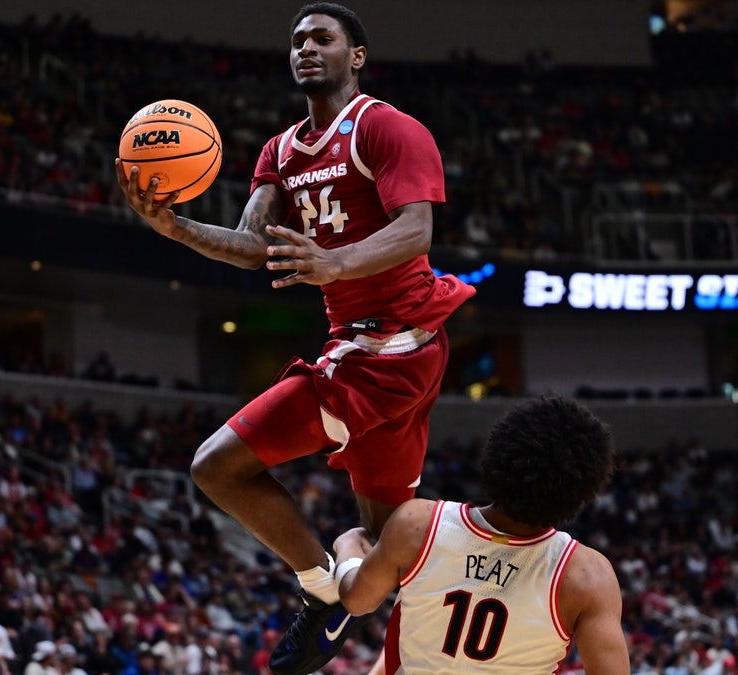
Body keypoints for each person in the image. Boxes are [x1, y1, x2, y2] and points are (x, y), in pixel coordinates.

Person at [115, 3, 474, 674]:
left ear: (355, 55)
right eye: (297, 40)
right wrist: (178, 229)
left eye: (322, 37)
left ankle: (318, 590)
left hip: (390, 352)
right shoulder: (279, 151)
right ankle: (368, 605)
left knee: (215, 466)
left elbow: (416, 230)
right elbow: (255, 246)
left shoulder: (386, 127)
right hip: (382, 353)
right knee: (384, 545)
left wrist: (335, 261)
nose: (305, 48)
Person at [332, 396, 630, 674]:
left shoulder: (417, 524)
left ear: (498, 453)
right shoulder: (588, 577)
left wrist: (347, 547)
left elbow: (357, 601)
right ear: (581, 492)